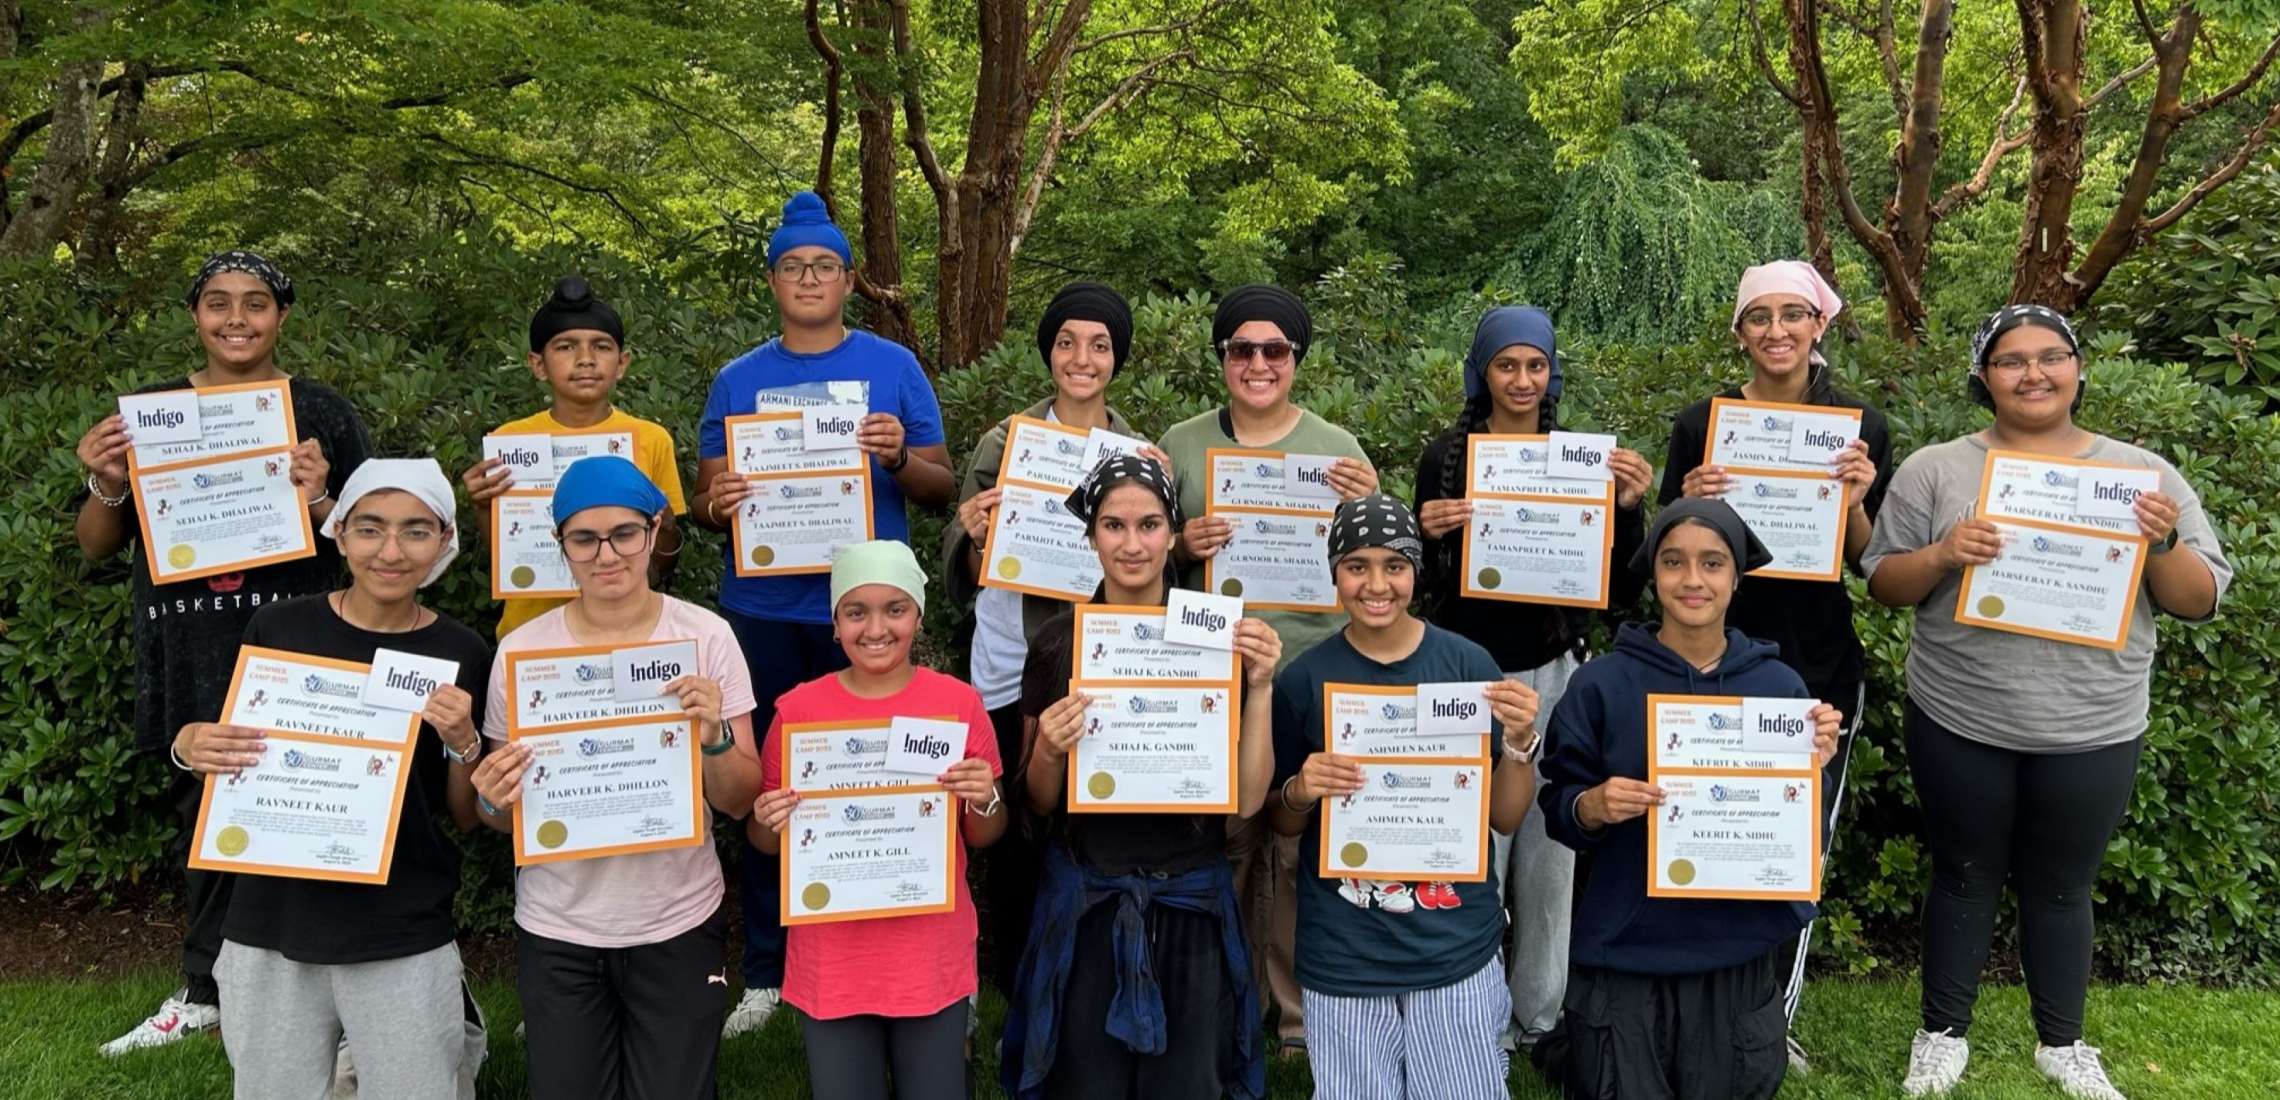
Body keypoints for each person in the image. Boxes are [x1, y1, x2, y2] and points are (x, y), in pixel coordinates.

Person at [1863, 306, 2229, 1100]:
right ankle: (1941, 1033)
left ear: (2078, 368)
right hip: (1961, 711)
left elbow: (2199, 600)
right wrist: (1943, 553)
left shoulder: (2142, 476)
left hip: (2093, 720)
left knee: (2064, 885)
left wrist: (2162, 543)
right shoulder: (1935, 469)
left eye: (2051, 356)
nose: (2033, 373)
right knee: (1962, 874)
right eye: (2011, 360)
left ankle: (2062, 1043)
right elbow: (1885, 581)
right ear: (1983, 376)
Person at [77, 251, 374, 1056]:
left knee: (320, 815)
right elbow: (97, 544)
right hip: (192, 645)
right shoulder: (153, 414)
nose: (236, 318)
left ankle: (337, 999)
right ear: (195, 314)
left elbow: (374, 544)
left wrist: (322, 495)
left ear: (282, 315)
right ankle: (205, 991)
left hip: (303, 647)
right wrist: (107, 479)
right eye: (218, 302)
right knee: (208, 826)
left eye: (255, 302)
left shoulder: (321, 410)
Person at [692, 192, 956, 1037]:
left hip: (869, 620)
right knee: (770, 790)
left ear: (849, 279)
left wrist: (899, 457)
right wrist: (716, 504)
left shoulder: (893, 365)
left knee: (877, 784)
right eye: (793, 266)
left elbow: (943, 484)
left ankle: (886, 951)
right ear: (773, 281)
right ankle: (767, 971)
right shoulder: (737, 379)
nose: (809, 278)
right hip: (764, 610)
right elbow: (703, 500)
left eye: (825, 266)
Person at [170, 459, 490, 1098]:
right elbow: (228, 752)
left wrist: (465, 743)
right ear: (338, 533)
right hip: (270, 919)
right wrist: (188, 745)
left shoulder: (463, 652)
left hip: (399, 921)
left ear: (444, 541)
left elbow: (463, 813)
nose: (391, 551)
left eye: (416, 531)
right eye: (370, 529)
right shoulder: (279, 628)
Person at [468, 456, 762, 1100]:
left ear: (654, 531)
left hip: (678, 917)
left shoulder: (705, 637)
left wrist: (714, 736)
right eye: (584, 539)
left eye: (624, 533)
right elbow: (498, 816)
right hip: (559, 924)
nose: (606, 555)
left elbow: (741, 800)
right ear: (561, 545)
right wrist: (490, 798)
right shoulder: (524, 654)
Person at [1532, 497, 1843, 1100]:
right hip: (1626, 944)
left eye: (1712, 563)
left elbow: (1803, 835)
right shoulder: (1601, 684)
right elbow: (1559, 808)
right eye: (1674, 562)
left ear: (1737, 577)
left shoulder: (1779, 689)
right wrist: (1592, 805)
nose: (1693, 579)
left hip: (1736, 948)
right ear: (1654, 575)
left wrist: (1815, 771)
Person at [1656, 260, 1888, 1067]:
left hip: (1817, 663)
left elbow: (1868, 561)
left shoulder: (1861, 427)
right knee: (1702, 828)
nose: (1777, 330)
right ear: (1740, 331)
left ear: (1820, 324)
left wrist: (1854, 499)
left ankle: (1768, 1019)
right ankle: (1692, 1002)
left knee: (1790, 847)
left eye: (1794, 314)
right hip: (1707, 660)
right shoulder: (1702, 424)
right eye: (1759, 316)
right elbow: (1666, 551)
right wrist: (1690, 499)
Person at [998, 455, 1281, 1099]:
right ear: (1091, 535)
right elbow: (1036, 802)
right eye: (1113, 525)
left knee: (1188, 1084)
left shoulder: (1216, 635)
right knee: (1086, 1083)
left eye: (1149, 525)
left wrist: (1261, 686)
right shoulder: (1058, 642)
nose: (1132, 544)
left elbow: (1244, 800)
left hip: (1190, 897)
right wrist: (1049, 751)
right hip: (1089, 897)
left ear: (1173, 533)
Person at [1411, 305, 1652, 1051]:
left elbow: (1618, 590)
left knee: (1550, 854)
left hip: (1555, 673)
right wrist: (1425, 535)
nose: (1522, 379)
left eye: (1536, 365)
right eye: (1506, 364)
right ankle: (1466, 1009)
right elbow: (1414, 588)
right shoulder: (1446, 456)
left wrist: (1630, 510)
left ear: (1553, 373)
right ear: (1481, 372)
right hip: (1464, 675)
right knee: (1469, 846)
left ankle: (1539, 1017)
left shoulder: (1581, 461)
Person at [1157, 284, 1379, 1054]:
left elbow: (1378, 565)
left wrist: (1371, 501)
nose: (1259, 363)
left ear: (1297, 358)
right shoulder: (1182, 443)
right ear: (1222, 357)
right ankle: (1221, 997)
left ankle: (1293, 1017)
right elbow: (1138, 545)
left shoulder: (1337, 449)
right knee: (1225, 839)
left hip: (1311, 670)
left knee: (1293, 845)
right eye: (1242, 349)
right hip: (1210, 673)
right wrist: (1182, 543)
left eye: (1275, 349)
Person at [1266, 494, 1544, 1097]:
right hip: (1345, 949)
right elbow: (1283, 823)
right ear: (1334, 572)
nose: (1376, 585)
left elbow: (1503, 817)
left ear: (1416, 570)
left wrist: (1520, 743)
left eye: (1394, 565)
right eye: (1356, 566)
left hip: (1454, 945)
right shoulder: (1304, 680)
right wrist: (1301, 789)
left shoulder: (1468, 666)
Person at [943, 281, 1163, 994]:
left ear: (1117, 358)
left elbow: (1155, 559)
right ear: (1049, 352)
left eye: (1099, 345)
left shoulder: (1138, 452)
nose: (1082, 358)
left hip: (1102, 657)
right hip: (1013, 659)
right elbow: (967, 565)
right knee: (1016, 823)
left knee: (1082, 810)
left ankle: (1088, 969)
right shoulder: (1005, 442)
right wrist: (977, 536)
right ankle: (1016, 978)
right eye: (1067, 342)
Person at [748, 540, 1006, 1100]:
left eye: (895, 609)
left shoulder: (958, 705)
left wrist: (985, 797)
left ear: (918, 615)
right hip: (834, 958)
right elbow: (766, 842)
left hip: (929, 953)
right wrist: (767, 819)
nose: (875, 629)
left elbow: (985, 832)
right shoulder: (798, 711)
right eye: (856, 612)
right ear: (834, 624)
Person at [462, 275, 689, 639]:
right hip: (532, 631)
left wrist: (666, 527)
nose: (585, 359)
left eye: (601, 346)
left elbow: (661, 565)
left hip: (628, 630)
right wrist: (481, 506)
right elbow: (508, 556)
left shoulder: (650, 439)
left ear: (622, 363)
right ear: (538, 364)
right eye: (566, 347)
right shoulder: (509, 441)